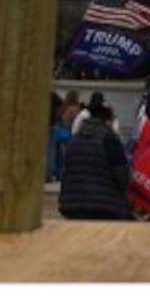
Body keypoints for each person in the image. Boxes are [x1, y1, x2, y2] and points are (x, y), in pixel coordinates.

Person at [58, 92, 131, 220]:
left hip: (71, 206)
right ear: (108, 120)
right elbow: (122, 178)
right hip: (104, 206)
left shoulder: (75, 139)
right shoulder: (109, 139)